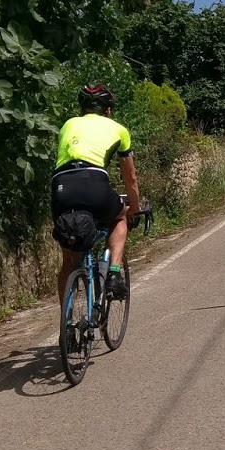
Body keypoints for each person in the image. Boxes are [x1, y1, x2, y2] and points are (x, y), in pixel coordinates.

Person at [51, 83, 147, 306]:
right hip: (94, 181)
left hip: (61, 186)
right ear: (108, 110)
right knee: (119, 217)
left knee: (69, 260)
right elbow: (130, 176)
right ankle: (114, 272)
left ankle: (66, 323)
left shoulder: (68, 124)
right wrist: (134, 207)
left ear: (81, 109)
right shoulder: (119, 129)